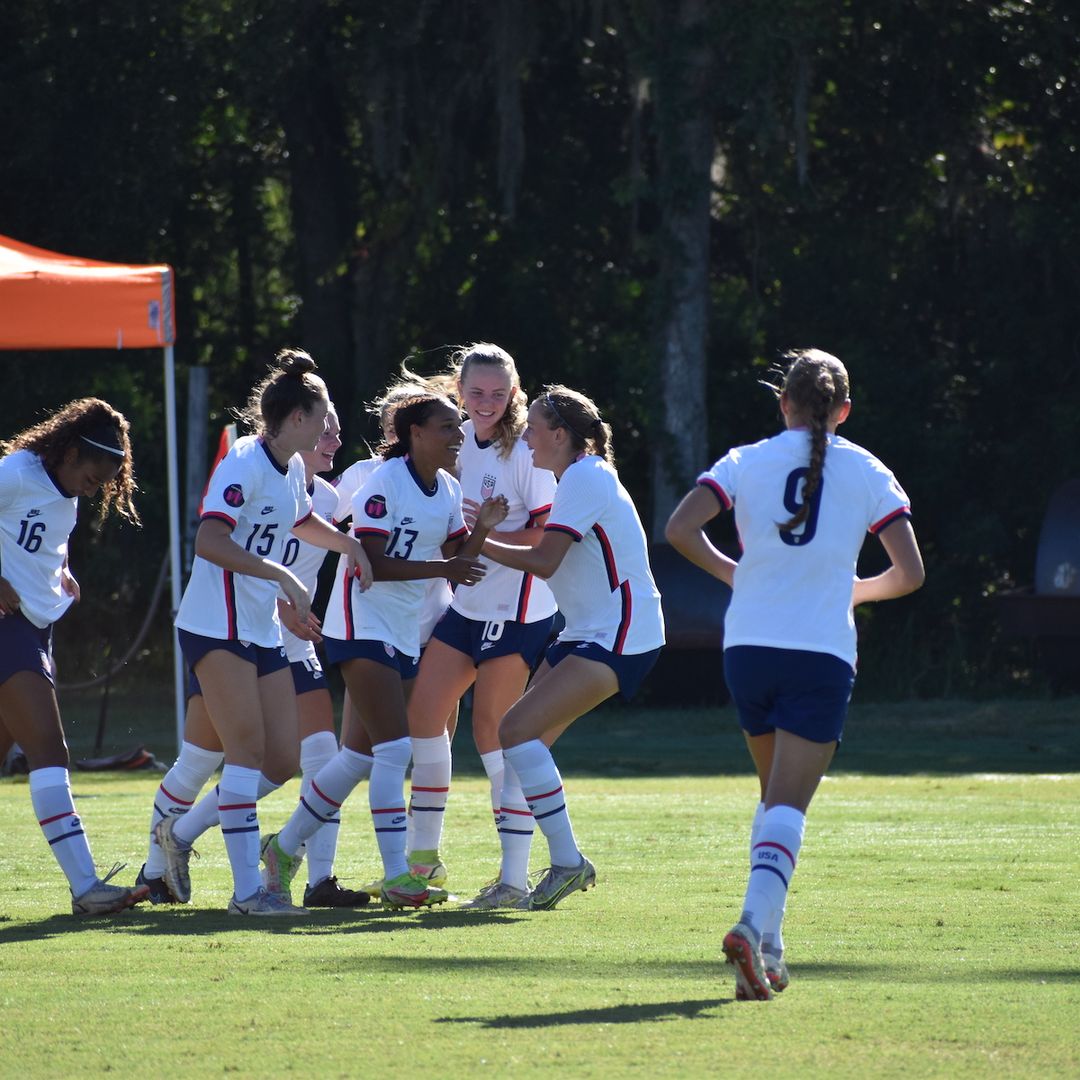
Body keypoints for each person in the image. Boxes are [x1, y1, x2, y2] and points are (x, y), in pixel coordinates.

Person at [664, 348, 925, 1001]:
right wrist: (857, 591)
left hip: (748, 649)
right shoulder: (867, 469)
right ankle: (750, 928)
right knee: (788, 804)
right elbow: (911, 574)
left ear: (783, 403)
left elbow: (679, 529)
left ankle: (771, 952)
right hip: (818, 651)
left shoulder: (745, 459)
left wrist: (735, 573)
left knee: (773, 796)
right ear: (844, 410)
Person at [260, 389, 507, 910]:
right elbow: (372, 561)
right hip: (362, 625)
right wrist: (445, 567)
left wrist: (482, 528)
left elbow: (457, 557)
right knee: (396, 750)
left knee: (357, 757)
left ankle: (281, 849)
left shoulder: (447, 488)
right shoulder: (385, 483)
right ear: (415, 433)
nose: (458, 435)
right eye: (447, 427)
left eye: (458, 427)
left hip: (402, 630)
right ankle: (398, 876)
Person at [154, 349, 373, 917]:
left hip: (259, 629)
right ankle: (249, 895)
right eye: (323, 416)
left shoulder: (293, 467)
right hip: (217, 627)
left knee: (280, 760)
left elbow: (300, 520)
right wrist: (282, 576)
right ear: (297, 417)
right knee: (245, 754)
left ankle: (178, 835)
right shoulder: (244, 461)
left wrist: (349, 545)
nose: (329, 428)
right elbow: (209, 540)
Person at [478, 385, 665, 910]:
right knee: (521, 747)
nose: (526, 439)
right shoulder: (578, 475)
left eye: (534, 429)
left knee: (515, 732)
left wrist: (473, 540)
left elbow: (544, 562)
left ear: (560, 435)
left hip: (619, 634)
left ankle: (567, 863)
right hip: (588, 631)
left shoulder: (585, 475)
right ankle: (512, 884)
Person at [404, 344, 558, 907]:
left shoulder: (526, 451)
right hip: (465, 605)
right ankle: (420, 865)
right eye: (476, 392)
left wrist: (483, 538)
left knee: (496, 733)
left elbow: (546, 537)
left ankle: (513, 879)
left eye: (497, 392)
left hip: (516, 609)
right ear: (459, 391)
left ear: (514, 392)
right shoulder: (455, 440)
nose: (486, 402)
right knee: (423, 715)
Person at [0, 397, 149, 915]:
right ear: (68, 451)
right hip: (7, 627)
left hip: (34, 630)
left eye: (103, 482)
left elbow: (38, 541)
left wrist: (61, 575)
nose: (94, 487)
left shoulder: (64, 492)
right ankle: (86, 887)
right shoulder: (16, 473)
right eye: (91, 475)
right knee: (49, 748)